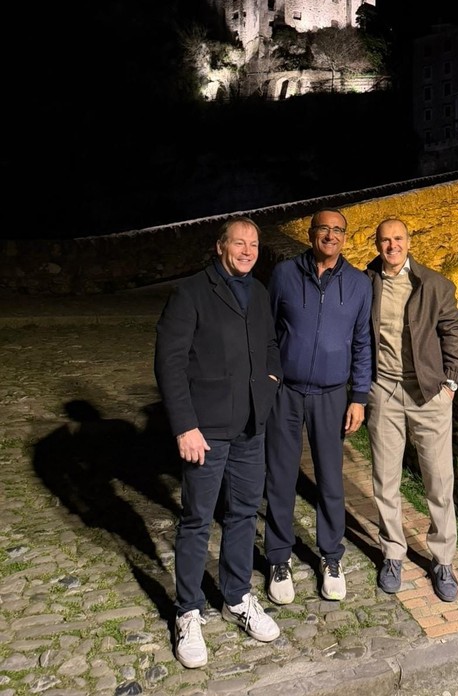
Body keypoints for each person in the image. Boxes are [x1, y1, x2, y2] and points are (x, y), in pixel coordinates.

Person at [154, 216, 283, 669]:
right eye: (238, 242)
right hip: (204, 431)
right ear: (220, 246)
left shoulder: (261, 293)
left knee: (244, 513)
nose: (247, 250)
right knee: (196, 520)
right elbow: (169, 362)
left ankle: (236, 596)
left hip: (251, 426)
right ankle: (187, 610)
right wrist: (184, 425)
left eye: (253, 243)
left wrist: (269, 382)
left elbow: (270, 345)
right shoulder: (190, 293)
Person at [263, 208, 372, 604]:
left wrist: (358, 396)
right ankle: (278, 557)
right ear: (310, 234)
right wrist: (270, 379)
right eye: (323, 229)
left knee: (330, 479)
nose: (330, 235)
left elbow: (363, 343)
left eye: (338, 230)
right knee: (280, 476)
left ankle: (331, 556)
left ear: (346, 238)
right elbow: (269, 332)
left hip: (331, 395)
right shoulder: (284, 276)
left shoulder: (359, 285)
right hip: (286, 393)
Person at [365, 217, 458, 602]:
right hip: (384, 392)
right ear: (376, 245)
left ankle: (443, 560)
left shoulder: (434, 284)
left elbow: (454, 334)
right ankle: (393, 552)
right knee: (384, 478)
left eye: (398, 239)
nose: (392, 246)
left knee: (439, 481)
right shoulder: (366, 283)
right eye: (385, 240)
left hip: (428, 395)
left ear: (410, 241)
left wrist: (450, 384)